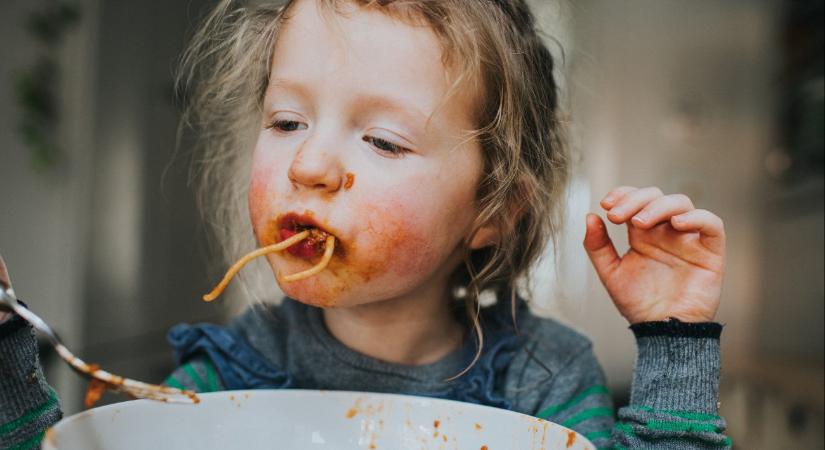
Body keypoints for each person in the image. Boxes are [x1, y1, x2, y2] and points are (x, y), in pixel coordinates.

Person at [0, 0, 731, 448]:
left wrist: (673, 343)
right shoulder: (226, 376)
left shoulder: (541, 382)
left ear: (489, 212)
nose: (310, 164)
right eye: (286, 121)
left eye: (381, 140)